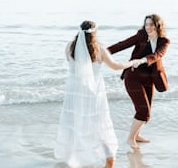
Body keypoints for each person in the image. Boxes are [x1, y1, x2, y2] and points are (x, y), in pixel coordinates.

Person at [54, 20, 141, 168]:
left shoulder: (69, 47)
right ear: (95, 32)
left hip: (75, 93)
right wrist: (132, 62)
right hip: (93, 93)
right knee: (99, 124)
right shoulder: (99, 49)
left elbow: (75, 67)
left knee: (75, 124)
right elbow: (115, 66)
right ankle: (108, 158)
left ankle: (76, 157)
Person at [107, 14, 170, 149]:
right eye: (146, 24)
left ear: (158, 26)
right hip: (133, 77)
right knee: (143, 110)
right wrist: (103, 53)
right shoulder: (141, 35)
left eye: (151, 25)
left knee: (146, 110)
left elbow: (157, 55)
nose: (148, 27)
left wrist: (141, 60)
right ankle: (130, 139)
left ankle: (137, 135)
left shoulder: (164, 41)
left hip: (149, 79)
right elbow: (123, 44)